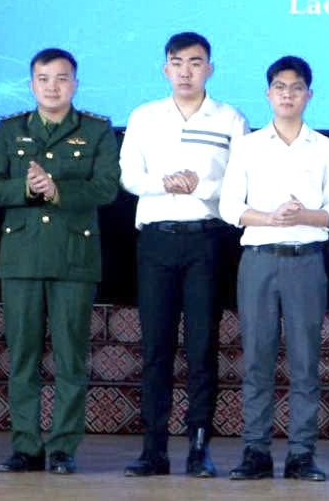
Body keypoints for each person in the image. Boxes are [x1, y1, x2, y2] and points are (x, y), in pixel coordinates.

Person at [0, 47, 122, 475]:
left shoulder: (97, 130)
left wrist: (58, 190)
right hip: (21, 258)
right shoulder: (10, 130)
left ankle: (63, 447)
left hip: (73, 257)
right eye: (43, 79)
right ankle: (26, 446)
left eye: (62, 79)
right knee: (23, 357)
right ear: (31, 84)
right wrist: (28, 190)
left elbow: (107, 187)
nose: (52, 87)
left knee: (70, 358)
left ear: (75, 84)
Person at [118, 31, 249, 478]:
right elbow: (129, 175)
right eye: (177, 63)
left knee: (201, 347)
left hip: (206, 240)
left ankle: (199, 448)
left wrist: (200, 187)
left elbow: (241, 180)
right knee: (155, 347)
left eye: (195, 63)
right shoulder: (144, 116)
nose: (186, 71)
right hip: (156, 240)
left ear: (209, 68)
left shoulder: (230, 118)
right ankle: (153, 449)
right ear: (165, 69)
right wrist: (165, 184)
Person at [219, 56, 329, 483]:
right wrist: (270, 218)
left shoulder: (325, 148)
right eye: (279, 87)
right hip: (259, 260)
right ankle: (255, 450)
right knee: (257, 358)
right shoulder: (248, 146)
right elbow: (230, 206)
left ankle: (301, 454)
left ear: (309, 94)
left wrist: (304, 216)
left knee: (305, 361)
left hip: (305, 261)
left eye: (296, 87)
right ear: (268, 94)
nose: (287, 94)